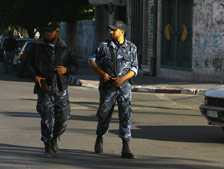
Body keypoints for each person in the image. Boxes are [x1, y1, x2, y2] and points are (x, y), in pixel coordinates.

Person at [23, 22, 78, 157]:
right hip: (45, 87)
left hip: (60, 87)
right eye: (47, 31)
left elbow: (75, 64)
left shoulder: (65, 47)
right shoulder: (37, 47)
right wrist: (36, 77)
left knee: (64, 117)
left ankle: (54, 137)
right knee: (46, 117)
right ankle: (47, 143)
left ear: (57, 32)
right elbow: (27, 64)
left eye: (51, 31)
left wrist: (67, 70)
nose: (48, 33)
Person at [88, 20, 138, 159]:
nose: (111, 32)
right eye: (110, 30)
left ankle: (126, 147)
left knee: (125, 116)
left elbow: (135, 68)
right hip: (107, 87)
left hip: (124, 87)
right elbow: (91, 60)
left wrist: (122, 79)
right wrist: (102, 73)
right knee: (104, 114)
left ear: (122, 32)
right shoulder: (103, 46)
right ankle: (100, 137)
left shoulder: (131, 48)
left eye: (114, 30)